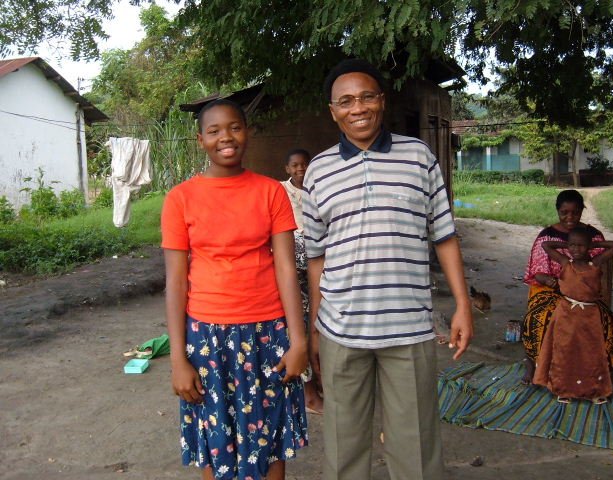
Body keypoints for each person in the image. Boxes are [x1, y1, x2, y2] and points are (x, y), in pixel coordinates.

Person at [302, 58, 473, 480]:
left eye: (366, 97)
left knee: (416, 450)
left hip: (409, 329)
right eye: (345, 101)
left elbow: (444, 236)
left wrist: (463, 305)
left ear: (382, 100)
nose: (357, 108)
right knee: (343, 449)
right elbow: (316, 257)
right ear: (332, 111)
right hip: (341, 330)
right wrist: (315, 327)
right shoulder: (318, 171)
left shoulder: (418, 156)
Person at [161, 99, 308, 480]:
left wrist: (299, 341)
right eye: (214, 131)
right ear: (200, 140)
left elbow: (286, 269)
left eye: (235, 128)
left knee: (271, 437)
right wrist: (178, 360)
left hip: (267, 333)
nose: (225, 137)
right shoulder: (180, 199)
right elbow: (176, 282)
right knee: (216, 440)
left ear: (248, 133)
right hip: (206, 337)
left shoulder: (271, 192)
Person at [521, 189, 613, 384]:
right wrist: (567, 247)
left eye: (575, 212)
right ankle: (534, 363)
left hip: (583, 294)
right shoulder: (546, 237)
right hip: (549, 291)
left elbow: (602, 260)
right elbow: (538, 274)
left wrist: (586, 244)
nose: (570, 217)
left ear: (582, 211)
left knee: (607, 322)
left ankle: (601, 369)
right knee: (542, 318)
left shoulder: (593, 236)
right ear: (557, 211)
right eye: (564, 212)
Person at [532, 227, 613, 404]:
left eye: (581, 246)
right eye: (572, 245)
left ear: (588, 246)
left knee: (591, 352)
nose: (576, 249)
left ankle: (594, 391)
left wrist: (593, 244)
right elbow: (546, 245)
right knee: (564, 350)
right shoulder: (566, 262)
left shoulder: (595, 263)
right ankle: (562, 389)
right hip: (565, 314)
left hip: (589, 316)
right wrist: (568, 244)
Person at [280, 148, 324, 414]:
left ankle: (318, 384)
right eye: (295, 165)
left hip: (317, 267)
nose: (300, 169)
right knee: (301, 328)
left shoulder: (318, 189)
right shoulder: (280, 191)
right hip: (293, 272)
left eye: (304, 165)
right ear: (288, 169)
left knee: (320, 327)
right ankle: (308, 393)